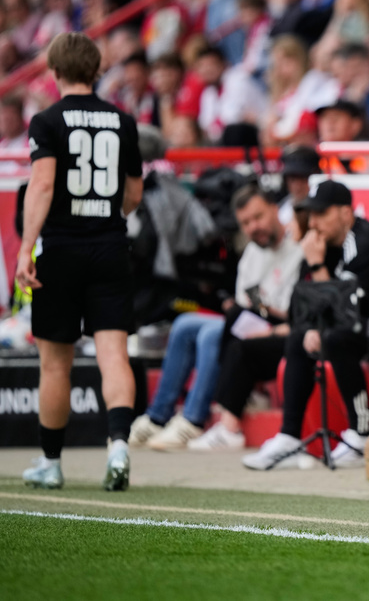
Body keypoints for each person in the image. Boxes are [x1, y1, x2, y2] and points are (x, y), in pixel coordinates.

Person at [242, 181, 369, 470]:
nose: (313, 223)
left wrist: (315, 264)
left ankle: (361, 436)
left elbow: (342, 308)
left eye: (321, 214)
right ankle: (290, 437)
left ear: (345, 213)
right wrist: (311, 318)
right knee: (299, 338)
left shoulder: (367, 243)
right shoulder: (325, 243)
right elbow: (301, 306)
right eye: (310, 215)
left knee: (338, 338)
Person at [18, 32, 143, 491]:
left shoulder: (47, 121)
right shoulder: (124, 122)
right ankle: (118, 448)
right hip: (110, 247)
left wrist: (24, 246)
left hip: (63, 249)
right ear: (96, 70)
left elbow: (43, 186)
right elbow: (132, 194)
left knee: (55, 365)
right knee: (113, 354)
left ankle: (51, 463)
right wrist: (106, 217)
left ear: (55, 72)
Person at [128, 185, 304, 450]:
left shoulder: (299, 248)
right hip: (249, 323)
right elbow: (244, 306)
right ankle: (157, 415)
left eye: (258, 217)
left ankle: (192, 420)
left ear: (274, 210)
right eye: (245, 223)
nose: (253, 227)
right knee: (185, 324)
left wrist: (263, 320)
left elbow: (297, 314)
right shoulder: (251, 255)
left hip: (280, 330)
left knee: (212, 333)